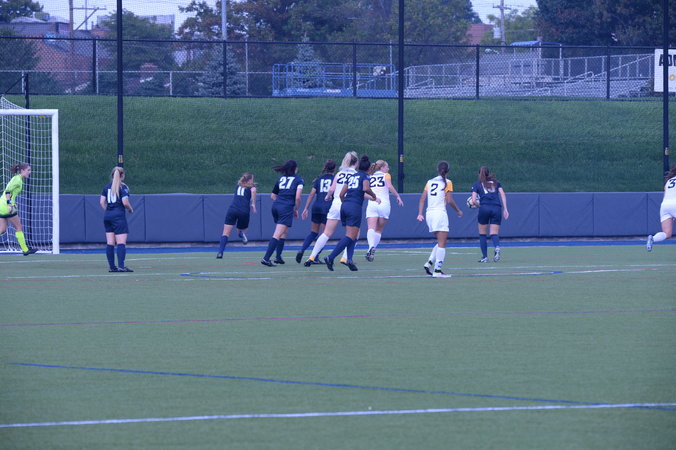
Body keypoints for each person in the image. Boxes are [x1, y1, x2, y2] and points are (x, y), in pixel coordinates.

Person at [324, 154, 380, 272]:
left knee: (352, 235)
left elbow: (341, 194)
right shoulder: (365, 176)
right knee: (350, 236)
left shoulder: (351, 176)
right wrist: (374, 196)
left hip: (344, 206)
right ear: (368, 168)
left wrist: (346, 204)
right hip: (354, 207)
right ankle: (331, 257)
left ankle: (349, 259)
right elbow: (365, 188)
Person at [303, 151, 358, 266]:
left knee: (326, 233)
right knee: (353, 234)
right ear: (356, 162)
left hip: (336, 204)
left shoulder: (339, 174)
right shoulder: (356, 175)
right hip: (349, 205)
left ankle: (311, 256)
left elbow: (331, 190)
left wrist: (328, 197)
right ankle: (345, 257)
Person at [416, 161, 463, 278]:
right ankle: (437, 271)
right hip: (439, 213)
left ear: (437, 170)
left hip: (429, 214)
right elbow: (450, 200)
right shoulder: (448, 182)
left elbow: (422, 199)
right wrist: (458, 211)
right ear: (448, 171)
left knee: (440, 241)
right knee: (442, 243)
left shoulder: (430, 182)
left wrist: (420, 213)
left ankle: (429, 264)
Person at [261, 160, 304, 266]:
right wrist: (296, 209)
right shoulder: (299, 179)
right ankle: (266, 258)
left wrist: (281, 203)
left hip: (276, 207)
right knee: (277, 234)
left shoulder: (281, 179)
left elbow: (273, 196)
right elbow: (298, 197)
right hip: (286, 208)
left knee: (284, 231)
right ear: (295, 169)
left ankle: (278, 257)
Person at [296, 160, 335, 264]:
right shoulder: (335, 179)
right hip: (327, 208)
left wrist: (306, 208)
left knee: (313, 232)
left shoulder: (319, 179)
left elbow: (312, 194)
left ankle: (302, 249)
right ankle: (315, 257)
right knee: (325, 235)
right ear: (334, 169)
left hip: (316, 207)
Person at [364, 159, 404, 262]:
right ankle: (372, 249)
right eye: (387, 166)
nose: (388, 168)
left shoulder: (370, 176)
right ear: (382, 168)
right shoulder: (386, 175)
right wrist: (397, 196)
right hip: (384, 204)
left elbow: (365, 190)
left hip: (373, 202)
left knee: (371, 228)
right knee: (379, 229)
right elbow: (389, 186)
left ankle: (370, 247)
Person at [470, 166, 509, 263]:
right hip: (497, 208)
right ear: (488, 173)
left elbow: (473, 200)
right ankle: (497, 246)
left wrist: (479, 206)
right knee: (494, 233)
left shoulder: (477, 184)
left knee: (482, 234)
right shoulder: (496, 183)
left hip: (484, 208)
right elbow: (502, 194)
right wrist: (505, 209)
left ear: (479, 174)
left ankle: (485, 257)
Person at [100, 166, 134, 272]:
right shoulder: (123, 187)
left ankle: (112, 267)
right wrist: (130, 209)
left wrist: (108, 210)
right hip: (118, 216)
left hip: (107, 216)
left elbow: (101, 202)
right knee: (121, 243)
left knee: (110, 242)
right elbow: (125, 202)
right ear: (122, 175)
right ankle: (121, 266)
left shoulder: (106, 187)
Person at [217, 172, 257, 259]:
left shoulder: (237, 186)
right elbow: (253, 190)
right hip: (244, 211)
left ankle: (220, 253)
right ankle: (240, 234)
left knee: (225, 233)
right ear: (250, 180)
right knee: (242, 229)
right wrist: (253, 204)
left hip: (232, 210)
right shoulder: (251, 187)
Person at [0, 163, 37, 255]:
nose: (30, 172)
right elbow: (8, 191)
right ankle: (25, 250)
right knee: (18, 227)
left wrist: (12, 204)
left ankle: (25, 249)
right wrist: (9, 204)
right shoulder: (17, 180)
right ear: (22, 170)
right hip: (6, 205)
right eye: (28, 170)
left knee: (2, 229)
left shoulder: (17, 178)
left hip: (2, 205)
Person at [647, 164, 676, 251]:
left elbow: (665, 195)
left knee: (667, 234)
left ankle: (653, 239)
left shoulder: (669, 181)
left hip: (665, 206)